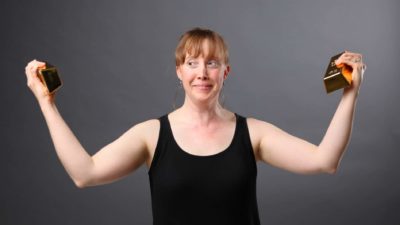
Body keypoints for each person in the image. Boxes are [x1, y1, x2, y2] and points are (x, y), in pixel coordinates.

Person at [25, 27, 366, 225]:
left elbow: (325, 160)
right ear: (179, 71)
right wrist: (47, 104)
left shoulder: (255, 134)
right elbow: (84, 173)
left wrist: (349, 95)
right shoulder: (151, 135)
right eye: (192, 63)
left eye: (212, 63)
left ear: (225, 72)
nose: (202, 72)